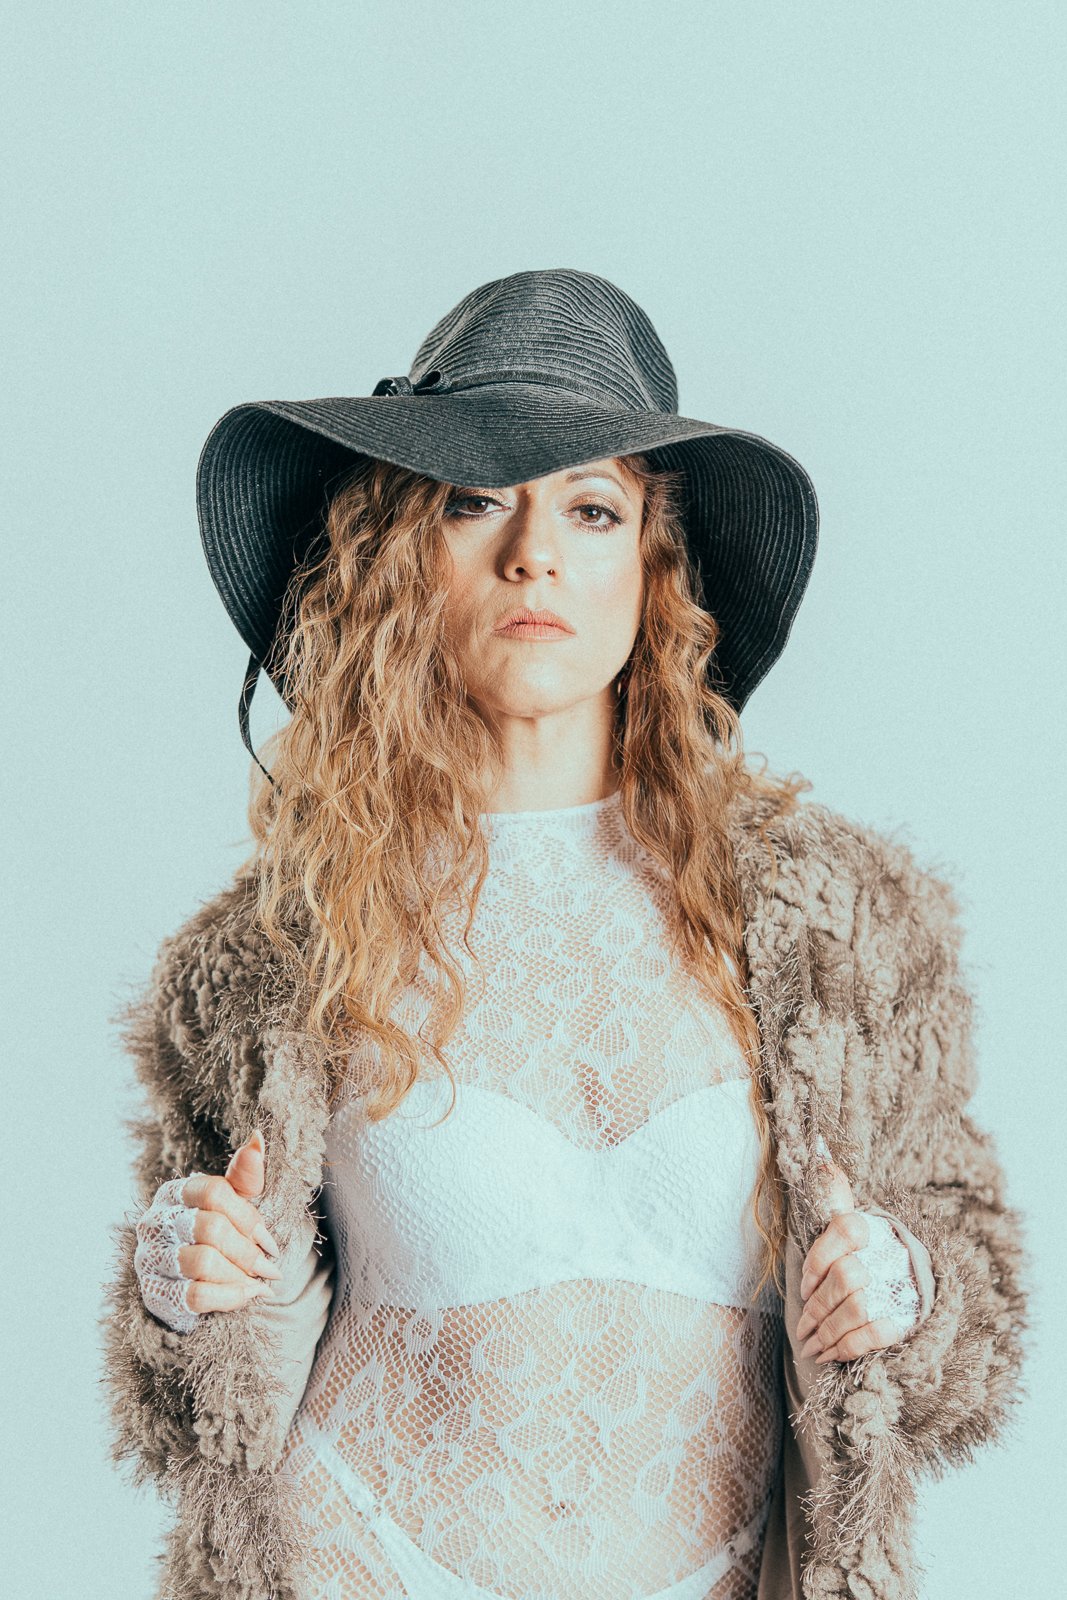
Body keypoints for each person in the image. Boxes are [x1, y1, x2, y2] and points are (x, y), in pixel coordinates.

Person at [101, 269, 1030, 1600]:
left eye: (591, 508)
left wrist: (906, 1293)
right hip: (359, 1562)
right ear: (401, 557)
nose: (534, 554)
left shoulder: (837, 928)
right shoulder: (277, 947)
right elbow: (182, 1389)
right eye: (477, 502)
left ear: (653, 568)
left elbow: (969, 1275)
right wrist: (180, 1282)